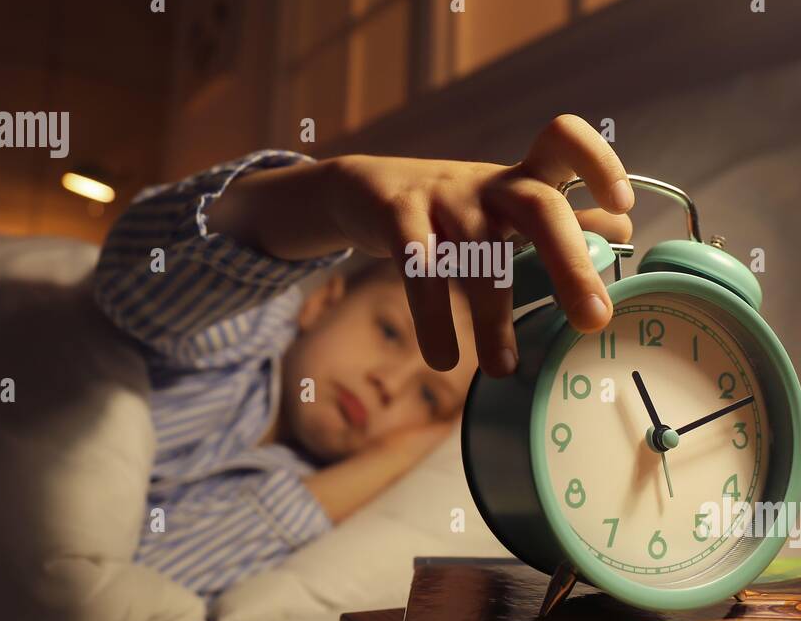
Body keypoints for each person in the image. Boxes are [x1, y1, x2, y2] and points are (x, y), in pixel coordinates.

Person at [93, 114, 634, 596]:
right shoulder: (238, 331)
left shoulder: (292, 481)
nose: (388, 385)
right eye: (391, 333)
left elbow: (117, 585)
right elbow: (137, 284)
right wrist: (327, 199)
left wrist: (408, 449)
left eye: (427, 393)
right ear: (324, 301)